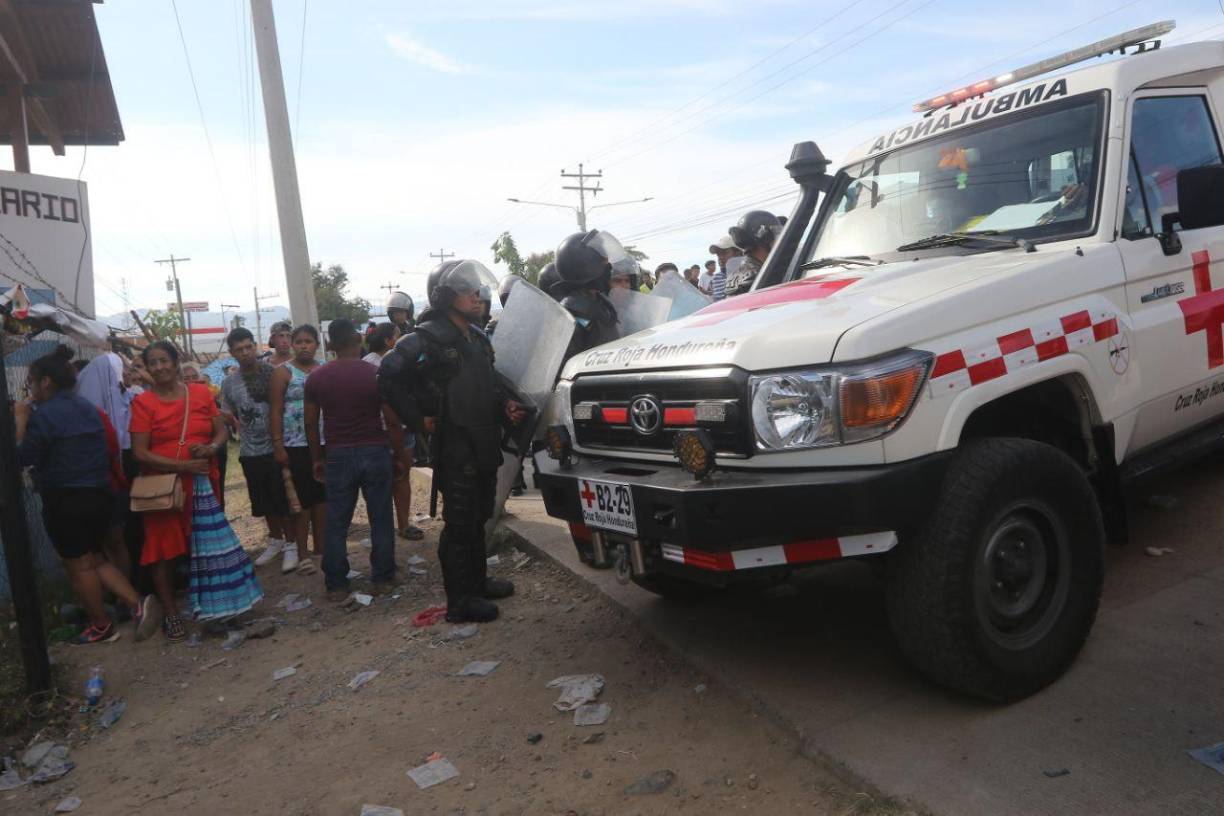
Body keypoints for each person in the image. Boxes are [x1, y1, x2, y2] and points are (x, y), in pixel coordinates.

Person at [379, 260, 524, 623]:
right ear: (445, 297)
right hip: (455, 444)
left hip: (484, 439)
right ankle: (460, 601)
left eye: (477, 291)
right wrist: (417, 419)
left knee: (478, 518)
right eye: (467, 291)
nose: (477, 297)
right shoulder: (423, 337)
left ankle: (478, 583)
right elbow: (387, 377)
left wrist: (505, 403)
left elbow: (487, 382)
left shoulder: (476, 337)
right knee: (460, 524)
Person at [16, 346, 158, 645]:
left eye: (31, 381)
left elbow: (22, 457)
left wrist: (20, 419)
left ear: (45, 382)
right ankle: (137, 604)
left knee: (79, 565)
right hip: (99, 493)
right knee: (94, 558)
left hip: (66, 499)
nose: (30, 388)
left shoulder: (44, 416)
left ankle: (101, 624)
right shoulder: (89, 408)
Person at [130, 341, 262, 641]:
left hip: (203, 482)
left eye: (165, 360)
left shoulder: (200, 393)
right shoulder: (143, 403)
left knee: (207, 548)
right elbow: (139, 453)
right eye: (154, 362)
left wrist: (212, 447)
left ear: (176, 363)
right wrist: (183, 467)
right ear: (147, 368)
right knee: (163, 551)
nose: (160, 367)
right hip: (164, 489)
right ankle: (172, 613)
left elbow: (219, 432)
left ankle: (215, 609)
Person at [305, 319, 410, 600]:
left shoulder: (317, 378)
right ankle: (383, 579)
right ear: (358, 340)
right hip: (375, 451)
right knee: (380, 517)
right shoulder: (375, 374)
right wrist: (399, 456)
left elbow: (310, 424)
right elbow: (392, 420)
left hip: (338, 455)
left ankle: (337, 584)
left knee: (336, 521)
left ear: (329, 345)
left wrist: (317, 458)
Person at [221, 328, 294, 572]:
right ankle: (275, 541)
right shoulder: (230, 383)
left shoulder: (276, 374)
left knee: (283, 497)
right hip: (250, 451)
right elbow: (227, 411)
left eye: (248, 347)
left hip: (278, 446)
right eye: (239, 350)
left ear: (255, 346)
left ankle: (292, 544)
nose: (245, 353)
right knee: (262, 500)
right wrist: (239, 426)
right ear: (232, 353)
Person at [270, 325, 328, 572]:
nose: (304, 345)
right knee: (301, 501)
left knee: (322, 498)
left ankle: (322, 549)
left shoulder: (324, 370)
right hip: (295, 445)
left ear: (317, 344)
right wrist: (278, 445)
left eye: (309, 341)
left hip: (323, 442)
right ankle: (303, 552)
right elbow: (274, 410)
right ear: (293, 345)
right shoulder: (283, 373)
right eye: (300, 341)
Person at [76, 351, 136, 580]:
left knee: (119, 537)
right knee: (113, 539)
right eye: (120, 371)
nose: (125, 375)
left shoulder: (122, 398)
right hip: (107, 481)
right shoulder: (93, 412)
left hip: (112, 479)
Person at [362, 321, 424, 541]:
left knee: (379, 483)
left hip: (377, 433)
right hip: (392, 430)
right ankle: (403, 525)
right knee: (401, 478)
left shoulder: (366, 364)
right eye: (399, 335)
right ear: (389, 341)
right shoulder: (391, 364)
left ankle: (383, 528)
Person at [554, 230, 628, 360]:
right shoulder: (572, 313)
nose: (609, 268)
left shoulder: (601, 301)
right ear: (584, 268)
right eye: (604, 263)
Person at [726, 210, 783, 297]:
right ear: (766, 237)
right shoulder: (759, 277)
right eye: (776, 234)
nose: (779, 240)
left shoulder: (739, 274)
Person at [707, 235, 741, 302]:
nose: (720, 257)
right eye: (718, 254)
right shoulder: (715, 279)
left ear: (738, 253)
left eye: (724, 253)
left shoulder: (748, 274)